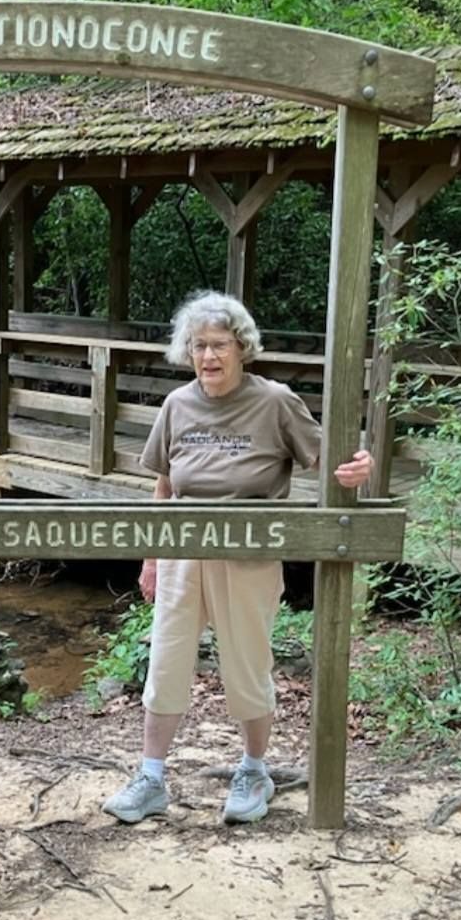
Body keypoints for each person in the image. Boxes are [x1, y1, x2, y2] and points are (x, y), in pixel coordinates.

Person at [102, 291, 372, 826]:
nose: (209, 357)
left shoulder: (274, 401)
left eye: (219, 345)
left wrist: (355, 467)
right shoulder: (178, 405)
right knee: (167, 661)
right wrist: (152, 558)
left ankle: (254, 770)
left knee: (247, 666)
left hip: (249, 553)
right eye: (199, 346)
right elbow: (163, 485)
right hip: (182, 551)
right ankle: (151, 777)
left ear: (241, 347)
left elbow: (329, 459)